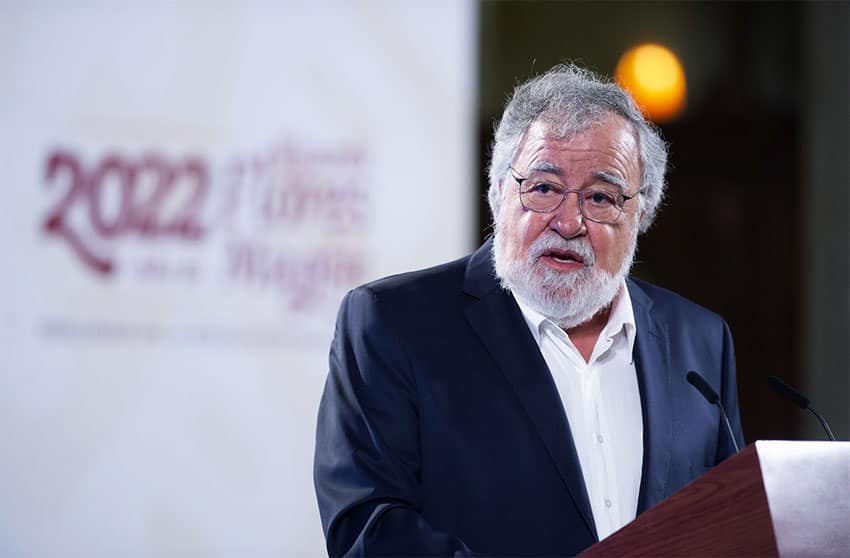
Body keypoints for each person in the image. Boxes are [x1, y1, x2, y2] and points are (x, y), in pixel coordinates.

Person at [314, 63, 744, 557]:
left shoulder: (700, 342)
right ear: (499, 192)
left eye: (601, 197)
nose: (568, 221)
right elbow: (368, 530)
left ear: (641, 213)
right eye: (543, 188)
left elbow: (728, 525)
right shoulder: (392, 325)